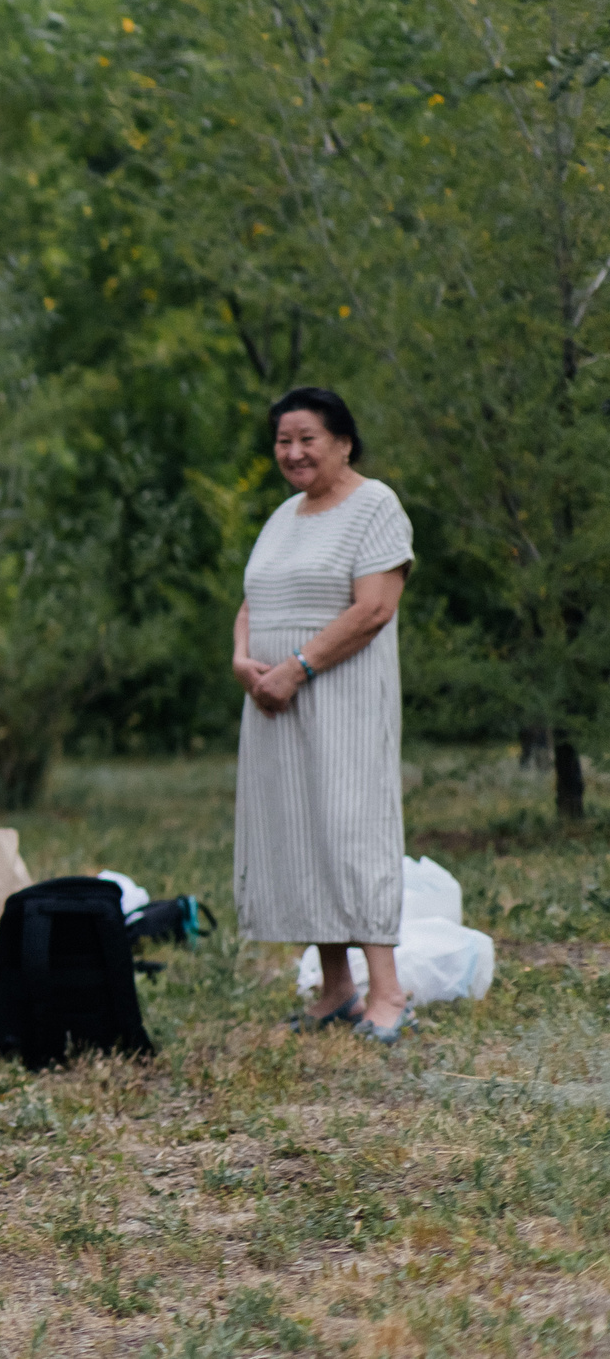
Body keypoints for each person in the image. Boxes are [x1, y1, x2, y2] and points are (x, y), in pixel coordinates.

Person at [233, 387, 416, 1044]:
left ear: (343, 440)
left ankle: (387, 991)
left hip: (340, 697)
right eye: (284, 440)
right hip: (274, 705)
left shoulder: (376, 507)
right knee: (301, 832)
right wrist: (241, 659)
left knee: (350, 828)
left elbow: (373, 609)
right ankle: (336, 987)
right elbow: (253, 599)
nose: (293, 451)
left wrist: (296, 667)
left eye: (307, 437)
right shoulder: (284, 516)